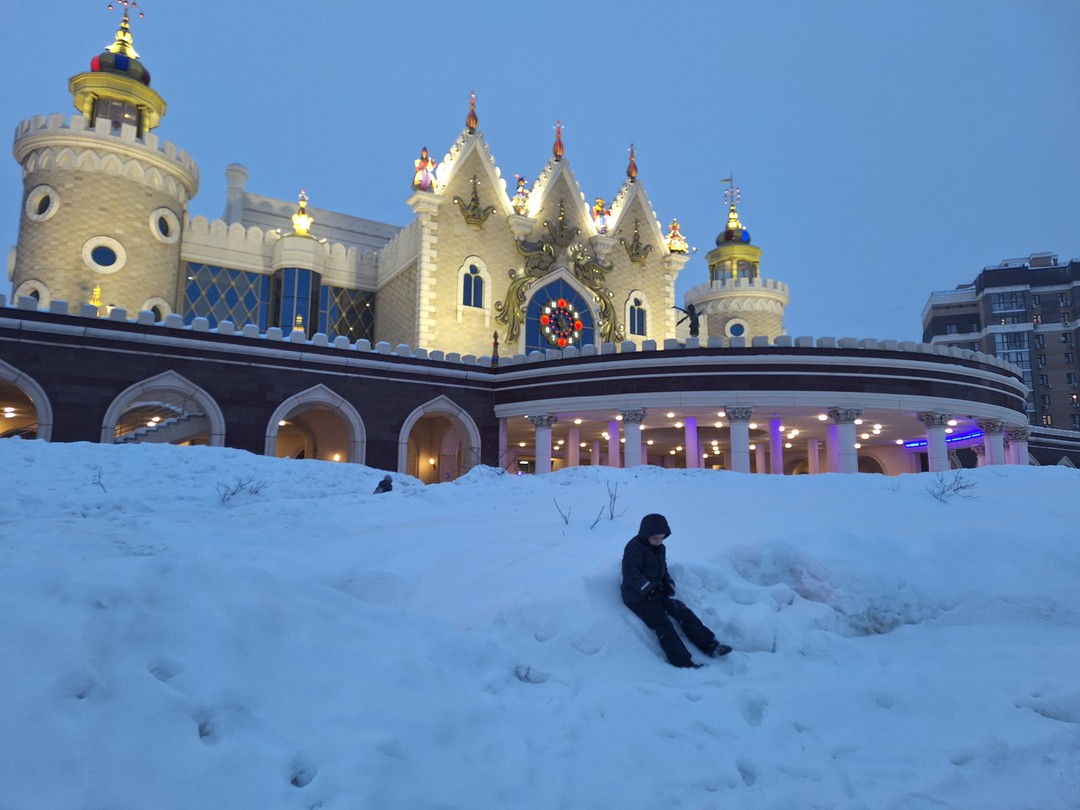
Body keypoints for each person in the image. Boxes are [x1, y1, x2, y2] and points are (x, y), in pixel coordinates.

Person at [621, 513, 732, 668]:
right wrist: (648, 590)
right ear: (645, 535)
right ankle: (682, 661)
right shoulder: (634, 548)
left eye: (661, 538)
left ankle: (710, 646)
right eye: (655, 538)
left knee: (682, 611)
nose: (659, 541)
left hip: (654, 591)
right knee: (661, 621)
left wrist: (668, 583)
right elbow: (631, 574)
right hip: (635, 596)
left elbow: (663, 570)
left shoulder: (660, 548)